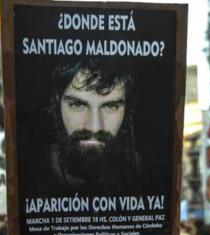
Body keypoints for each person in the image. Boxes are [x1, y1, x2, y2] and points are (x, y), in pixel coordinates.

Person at [22, 58, 163, 196]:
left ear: (127, 109)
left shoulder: (149, 175)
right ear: (58, 103)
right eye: (77, 105)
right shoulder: (27, 173)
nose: (94, 127)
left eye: (110, 106)